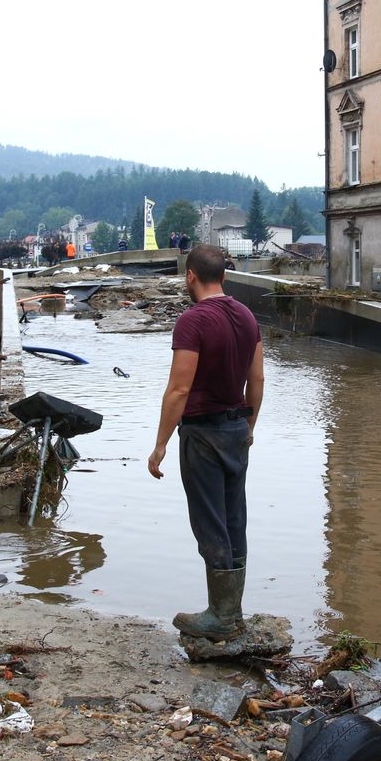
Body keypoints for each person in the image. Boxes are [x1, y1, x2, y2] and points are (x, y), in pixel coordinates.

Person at [149, 244, 264, 641]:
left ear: (191, 276)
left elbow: (179, 389)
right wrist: (251, 424)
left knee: (210, 522)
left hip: (203, 434)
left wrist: (161, 444)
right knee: (235, 518)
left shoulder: (193, 321)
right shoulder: (247, 316)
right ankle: (233, 612)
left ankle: (220, 616)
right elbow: (258, 379)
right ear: (225, 276)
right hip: (236, 430)